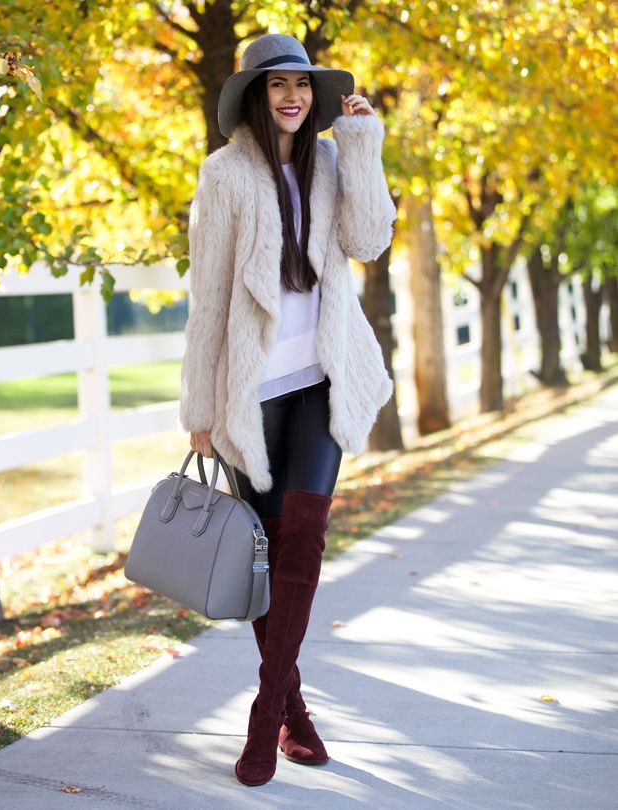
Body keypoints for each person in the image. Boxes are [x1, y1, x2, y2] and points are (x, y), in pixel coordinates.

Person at [178, 33, 397, 787]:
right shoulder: (224, 176)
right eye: (275, 87)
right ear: (253, 96)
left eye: (300, 85)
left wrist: (363, 142)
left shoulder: (333, 161)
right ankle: (295, 712)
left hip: (320, 380)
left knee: (303, 535)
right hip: (250, 391)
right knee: (267, 558)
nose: (291, 97)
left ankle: (264, 711)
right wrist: (201, 406)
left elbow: (368, 240)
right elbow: (206, 299)